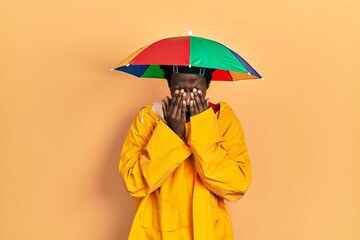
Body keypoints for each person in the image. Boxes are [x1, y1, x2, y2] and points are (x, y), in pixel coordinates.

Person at [119, 65, 252, 239]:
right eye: (180, 88)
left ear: (208, 83)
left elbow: (236, 185)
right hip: (157, 230)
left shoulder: (223, 119)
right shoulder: (149, 117)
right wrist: (171, 133)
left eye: (196, 88)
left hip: (209, 231)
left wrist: (203, 126)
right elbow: (133, 183)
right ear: (169, 85)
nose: (188, 94)